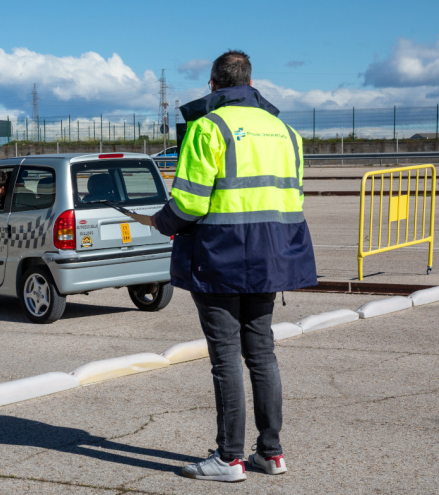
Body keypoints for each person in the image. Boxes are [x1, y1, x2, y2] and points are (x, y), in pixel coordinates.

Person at [150, 50, 317, 483]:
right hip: (270, 257)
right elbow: (293, 197)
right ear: (250, 82)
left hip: (220, 258)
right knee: (261, 354)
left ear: (212, 84)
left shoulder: (208, 127)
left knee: (225, 358)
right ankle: (271, 453)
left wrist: (161, 222)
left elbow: (189, 202)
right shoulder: (285, 132)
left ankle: (229, 459)